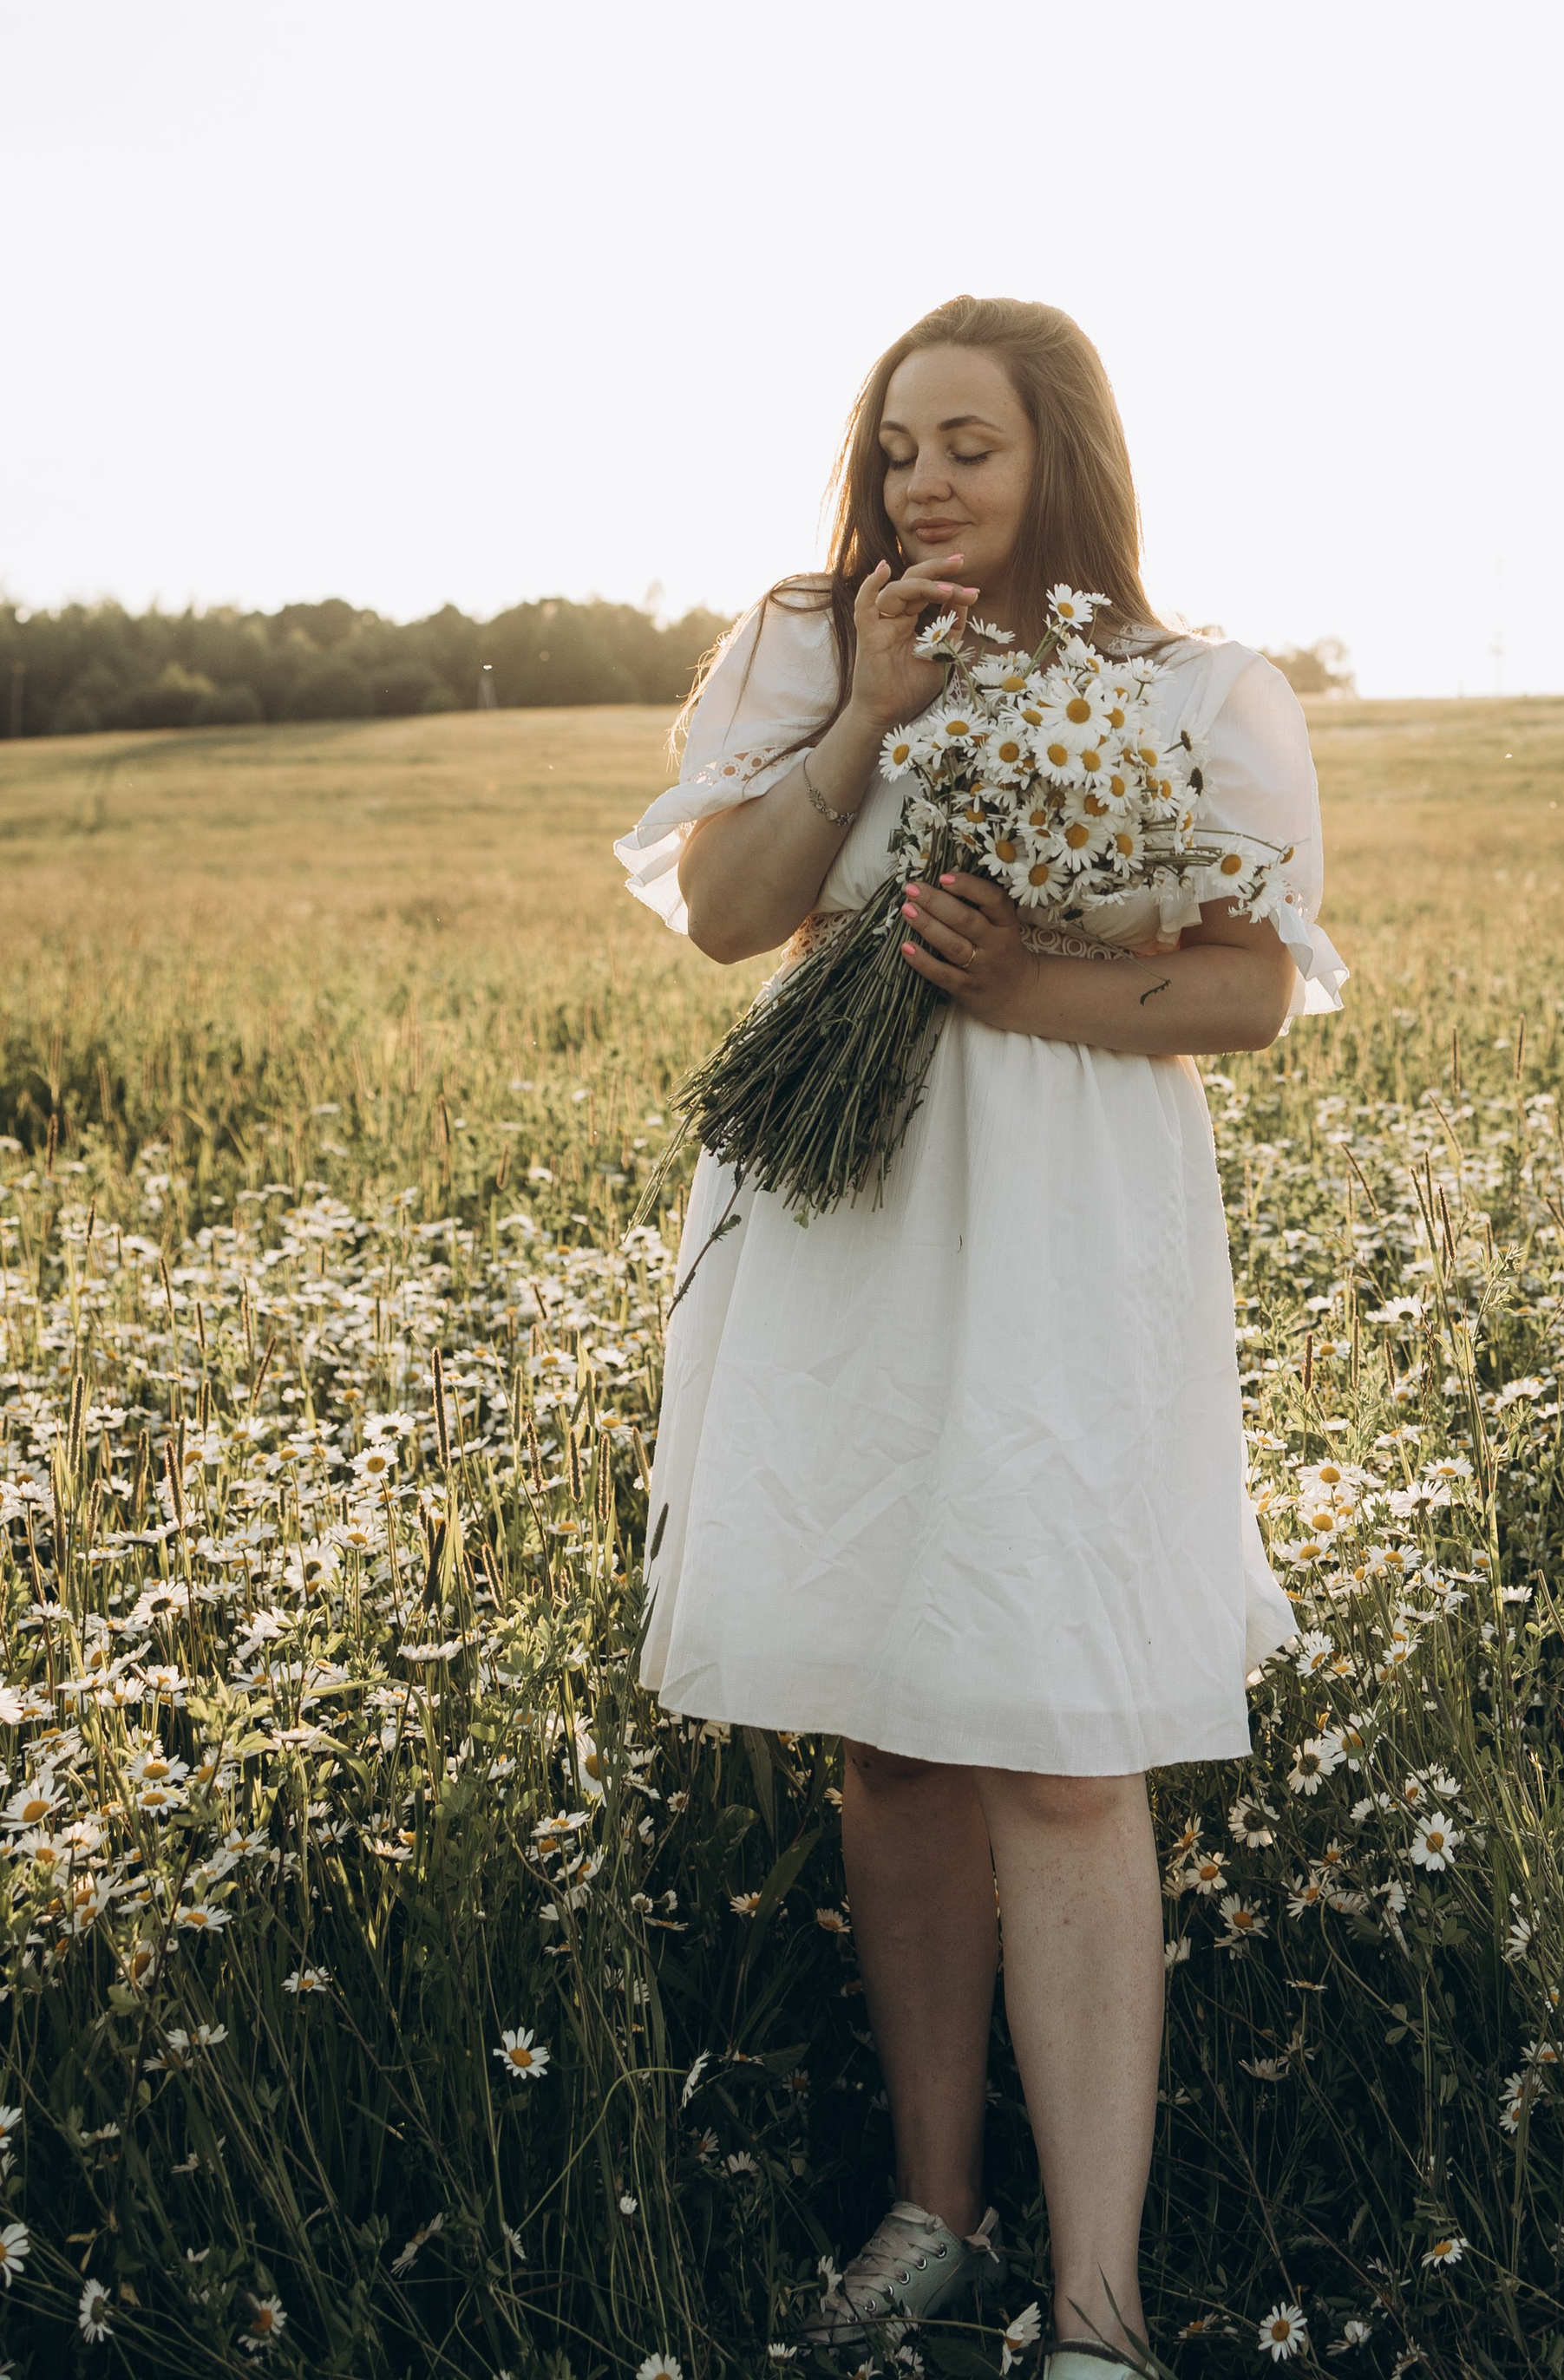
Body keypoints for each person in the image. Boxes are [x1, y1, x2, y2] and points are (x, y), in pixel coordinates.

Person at [613, 294, 1344, 2374]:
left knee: (1064, 1733)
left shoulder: (1196, 691)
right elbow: (743, 915)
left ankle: (1098, 2310)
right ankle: (931, 2216)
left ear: (1063, 462)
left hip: (1064, 1229)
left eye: (968, 447)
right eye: (895, 448)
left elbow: (1242, 1000)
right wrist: (858, 714)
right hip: (846, 1214)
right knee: (898, 1721)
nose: (922, 484)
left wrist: (1006, 976)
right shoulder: (799, 646)